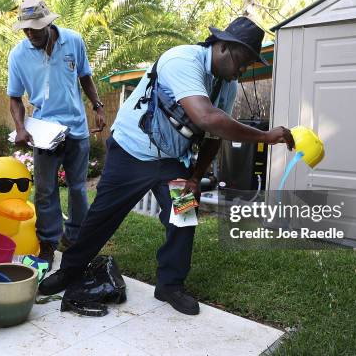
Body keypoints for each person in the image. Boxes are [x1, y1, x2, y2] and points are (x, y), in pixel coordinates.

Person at [39, 16, 294, 315]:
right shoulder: (182, 60)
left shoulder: (227, 86)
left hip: (173, 161)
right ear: (224, 47)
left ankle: (170, 285)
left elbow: (214, 135)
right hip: (132, 150)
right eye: (243, 60)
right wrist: (265, 136)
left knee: (183, 217)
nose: (243, 69)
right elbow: (207, 118)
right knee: (102, 216)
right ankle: (70, 270)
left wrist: (196, 177)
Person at [7, 0, 105, 268]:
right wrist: (19, 128)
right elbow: (14, 97)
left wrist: (97, 105)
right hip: (44, 131)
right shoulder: (18, 55)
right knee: (45, 190)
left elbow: (85, 76)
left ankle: (75, 239)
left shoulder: (73, 41)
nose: (30, 33)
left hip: (76, 128)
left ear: (48, 23)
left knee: (77, 189)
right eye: (26, 29)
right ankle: (48, 244)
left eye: (35, 28)